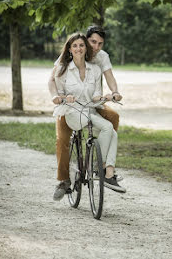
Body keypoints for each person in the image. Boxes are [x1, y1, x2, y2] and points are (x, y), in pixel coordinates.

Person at [49, 27, 124, 200]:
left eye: (100, 43)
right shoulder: (65, 62)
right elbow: (52, 80)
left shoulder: (101, 59)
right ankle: (63, 181)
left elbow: (109, 78)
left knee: (113, 120)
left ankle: (104, 167)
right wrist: (57, 97)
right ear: (85, 41)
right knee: (62, 140)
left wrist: (113, 93)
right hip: (70, 107)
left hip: (90, 103)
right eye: (93, 42)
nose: (96, 47)